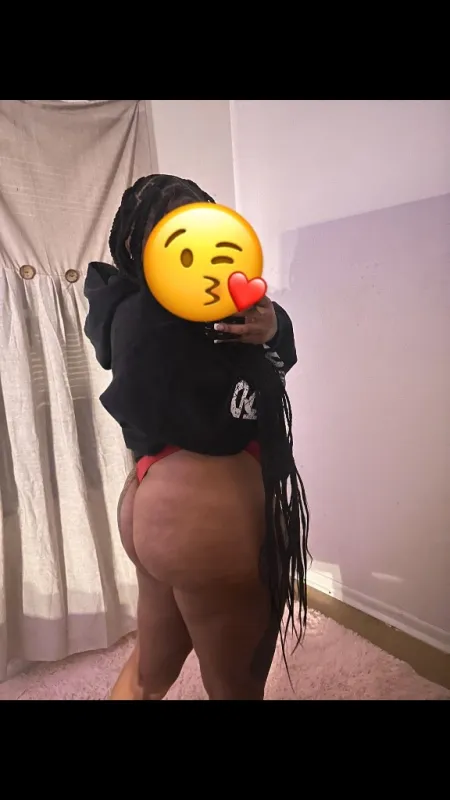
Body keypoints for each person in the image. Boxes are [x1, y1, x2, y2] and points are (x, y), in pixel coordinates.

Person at [84, 174, 310, 700]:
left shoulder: (126, 308)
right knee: (236, 689)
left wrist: (272, 328)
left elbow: (277, 356)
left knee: (149, 674)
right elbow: (222, 400)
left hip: (150, 499)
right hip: (205, 514)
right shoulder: (167, 314)